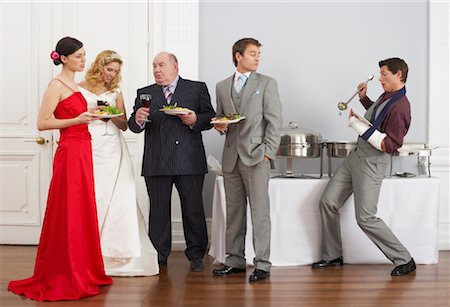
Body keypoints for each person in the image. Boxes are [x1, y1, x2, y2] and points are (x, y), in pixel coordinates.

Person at [7, 37, 112, 301]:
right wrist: (78, 119)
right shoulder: (55, 85)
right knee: (69, 209)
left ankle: (85, 269)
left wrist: (93, 116)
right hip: (69, 151)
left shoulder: (74, 85)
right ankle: (65, 272)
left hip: (83, 149)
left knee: (83, 208)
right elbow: (43, 123)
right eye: (78, 56)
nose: (83, 60)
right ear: (63, 58)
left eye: (84, 55)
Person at [312, 57, 416, 276]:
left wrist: (357, 126)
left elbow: (390, 144)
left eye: (384, 74)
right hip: (356, 157)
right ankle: (332, 255)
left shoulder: (401, 106)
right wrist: (363, 99)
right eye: (380, 74)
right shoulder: (388, 96)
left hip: (372, 163)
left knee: (365, 218)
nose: (380, 78)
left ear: (398, 75)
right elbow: (378, 119)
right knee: (328, 201)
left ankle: (404, 259)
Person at [128, 52, 215, 272]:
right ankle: (159, 255)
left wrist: (195, 119)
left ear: (175, 66)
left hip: (190, 159)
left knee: (193, 209)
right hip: (157, 161)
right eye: (154, 66)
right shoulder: (144, 93)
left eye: (162, 65)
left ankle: (196, 255)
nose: (157, 70)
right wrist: (137, 120)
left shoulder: (196, 88)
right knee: (158, 211)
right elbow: (133, 125)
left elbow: (210, 118)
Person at [78, 50, 159, 276]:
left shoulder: (116, 91)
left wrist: (111, 113)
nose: (112, 75)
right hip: (89, 144)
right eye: (109, 69)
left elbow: (124, 124)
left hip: (113, 147)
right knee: (92, 195)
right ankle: (86, 251)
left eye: (116, 71)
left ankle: (115, 252)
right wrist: (93, 112)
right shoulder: (78, 88)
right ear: (99, 66)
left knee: (119, 195)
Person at [212, 38, 282, 282]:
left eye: (259, 54)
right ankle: (235, 261)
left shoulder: (267, 83)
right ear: (238, 56)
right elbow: (222, 118)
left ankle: (262, 263)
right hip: (231, 157)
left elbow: (274, 123)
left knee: (260, 213)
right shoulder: (222, 86)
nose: (257, 58)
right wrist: (219, 126)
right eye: (253, 53)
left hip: (256, 158)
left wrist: (267, 152)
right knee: (234, 212)